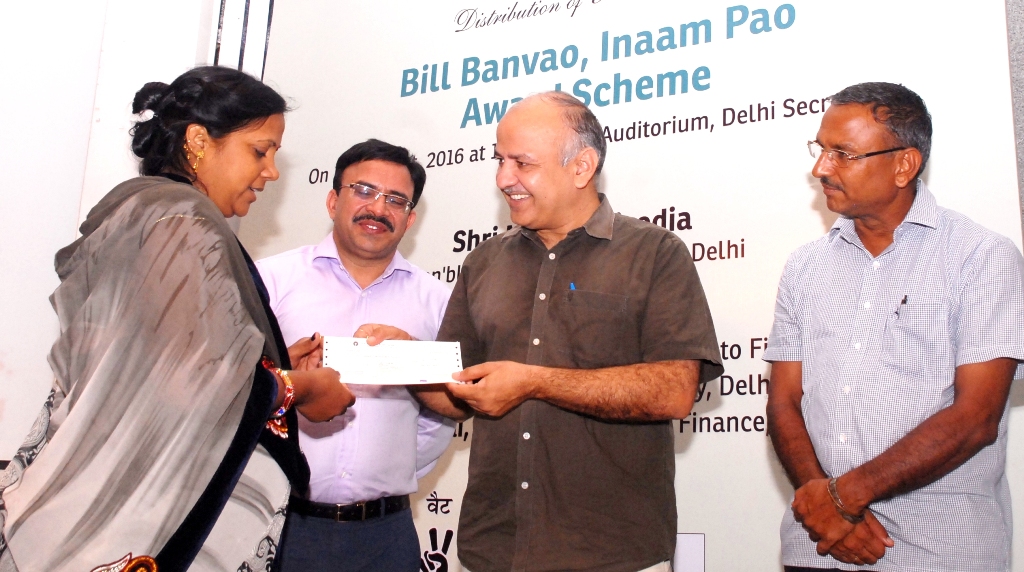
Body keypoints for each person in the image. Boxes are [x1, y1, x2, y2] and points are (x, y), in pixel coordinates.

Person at [0, 66, 354, 572]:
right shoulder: (183, 223)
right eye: (260, 151)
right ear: (198, 142)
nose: (272, 172)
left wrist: (271, 365)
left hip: (108, 485)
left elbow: (155, 361)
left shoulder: (147, 210)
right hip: (137, 521)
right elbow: (191, 382)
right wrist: (302, 388)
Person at [414, 91, 723, 572]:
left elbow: (674, 391)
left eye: (522, 163)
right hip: (494, 550)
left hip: (613, 555)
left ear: (582, 167)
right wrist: (401, 361)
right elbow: (455, 394)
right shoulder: (483, 263)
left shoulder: (655, 254)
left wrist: (535, 382)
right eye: (499, 160)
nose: (503, 179)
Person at [764, 82, 1024, 571]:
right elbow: (784, 402)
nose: (821, 168)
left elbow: (977, 417)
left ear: (904, 165)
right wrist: (826, 509)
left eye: (843, 154)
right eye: (820, 149)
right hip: (819, 547)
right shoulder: (804, 267)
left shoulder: (981, 257)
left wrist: (843, 498)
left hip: (940, 551)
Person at [256, 139, 453, 571]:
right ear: (333, 201)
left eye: (396, 200)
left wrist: (386, 474)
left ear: (410, 219)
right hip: (279, 525)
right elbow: (243, 394)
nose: (378, 208)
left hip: (386, 535)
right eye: (363, 191)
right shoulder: (271, 282)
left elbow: (442, 417)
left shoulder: (438, 302)